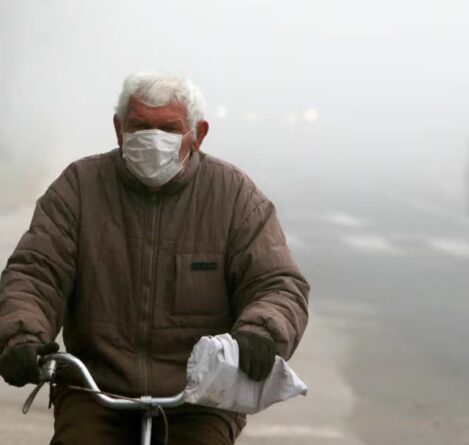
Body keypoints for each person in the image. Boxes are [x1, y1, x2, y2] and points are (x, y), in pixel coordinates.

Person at [0, 72, 309, 444]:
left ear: (198, 134)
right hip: (94, 389)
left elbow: (276, 283)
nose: (153, 138)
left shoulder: (234, 197)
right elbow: (36, 273)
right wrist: (21, 335)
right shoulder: (78, 188)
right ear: (119, 129)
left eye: (169, 128)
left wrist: (261, 332)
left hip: (201, 396)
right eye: (140, 126)